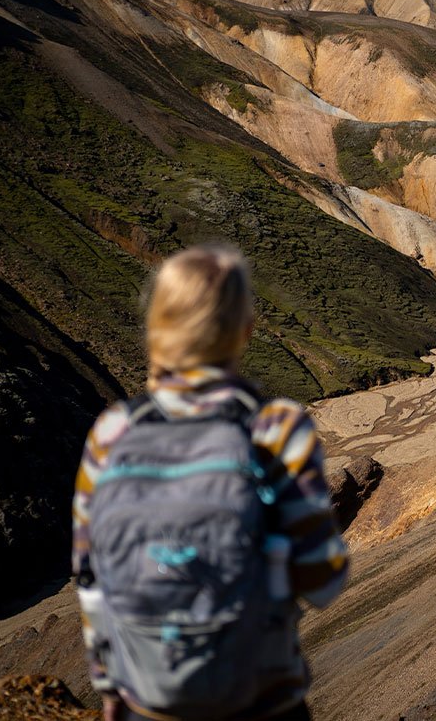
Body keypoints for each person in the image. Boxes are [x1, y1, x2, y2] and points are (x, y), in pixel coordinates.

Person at [73, 245, 349, 721]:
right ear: (245, 329)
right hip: (262, 697)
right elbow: (323, 581)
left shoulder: (112, 431)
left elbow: (89, 574)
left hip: (148, 698)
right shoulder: (276, 426)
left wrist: (110, 687)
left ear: (158, 327)